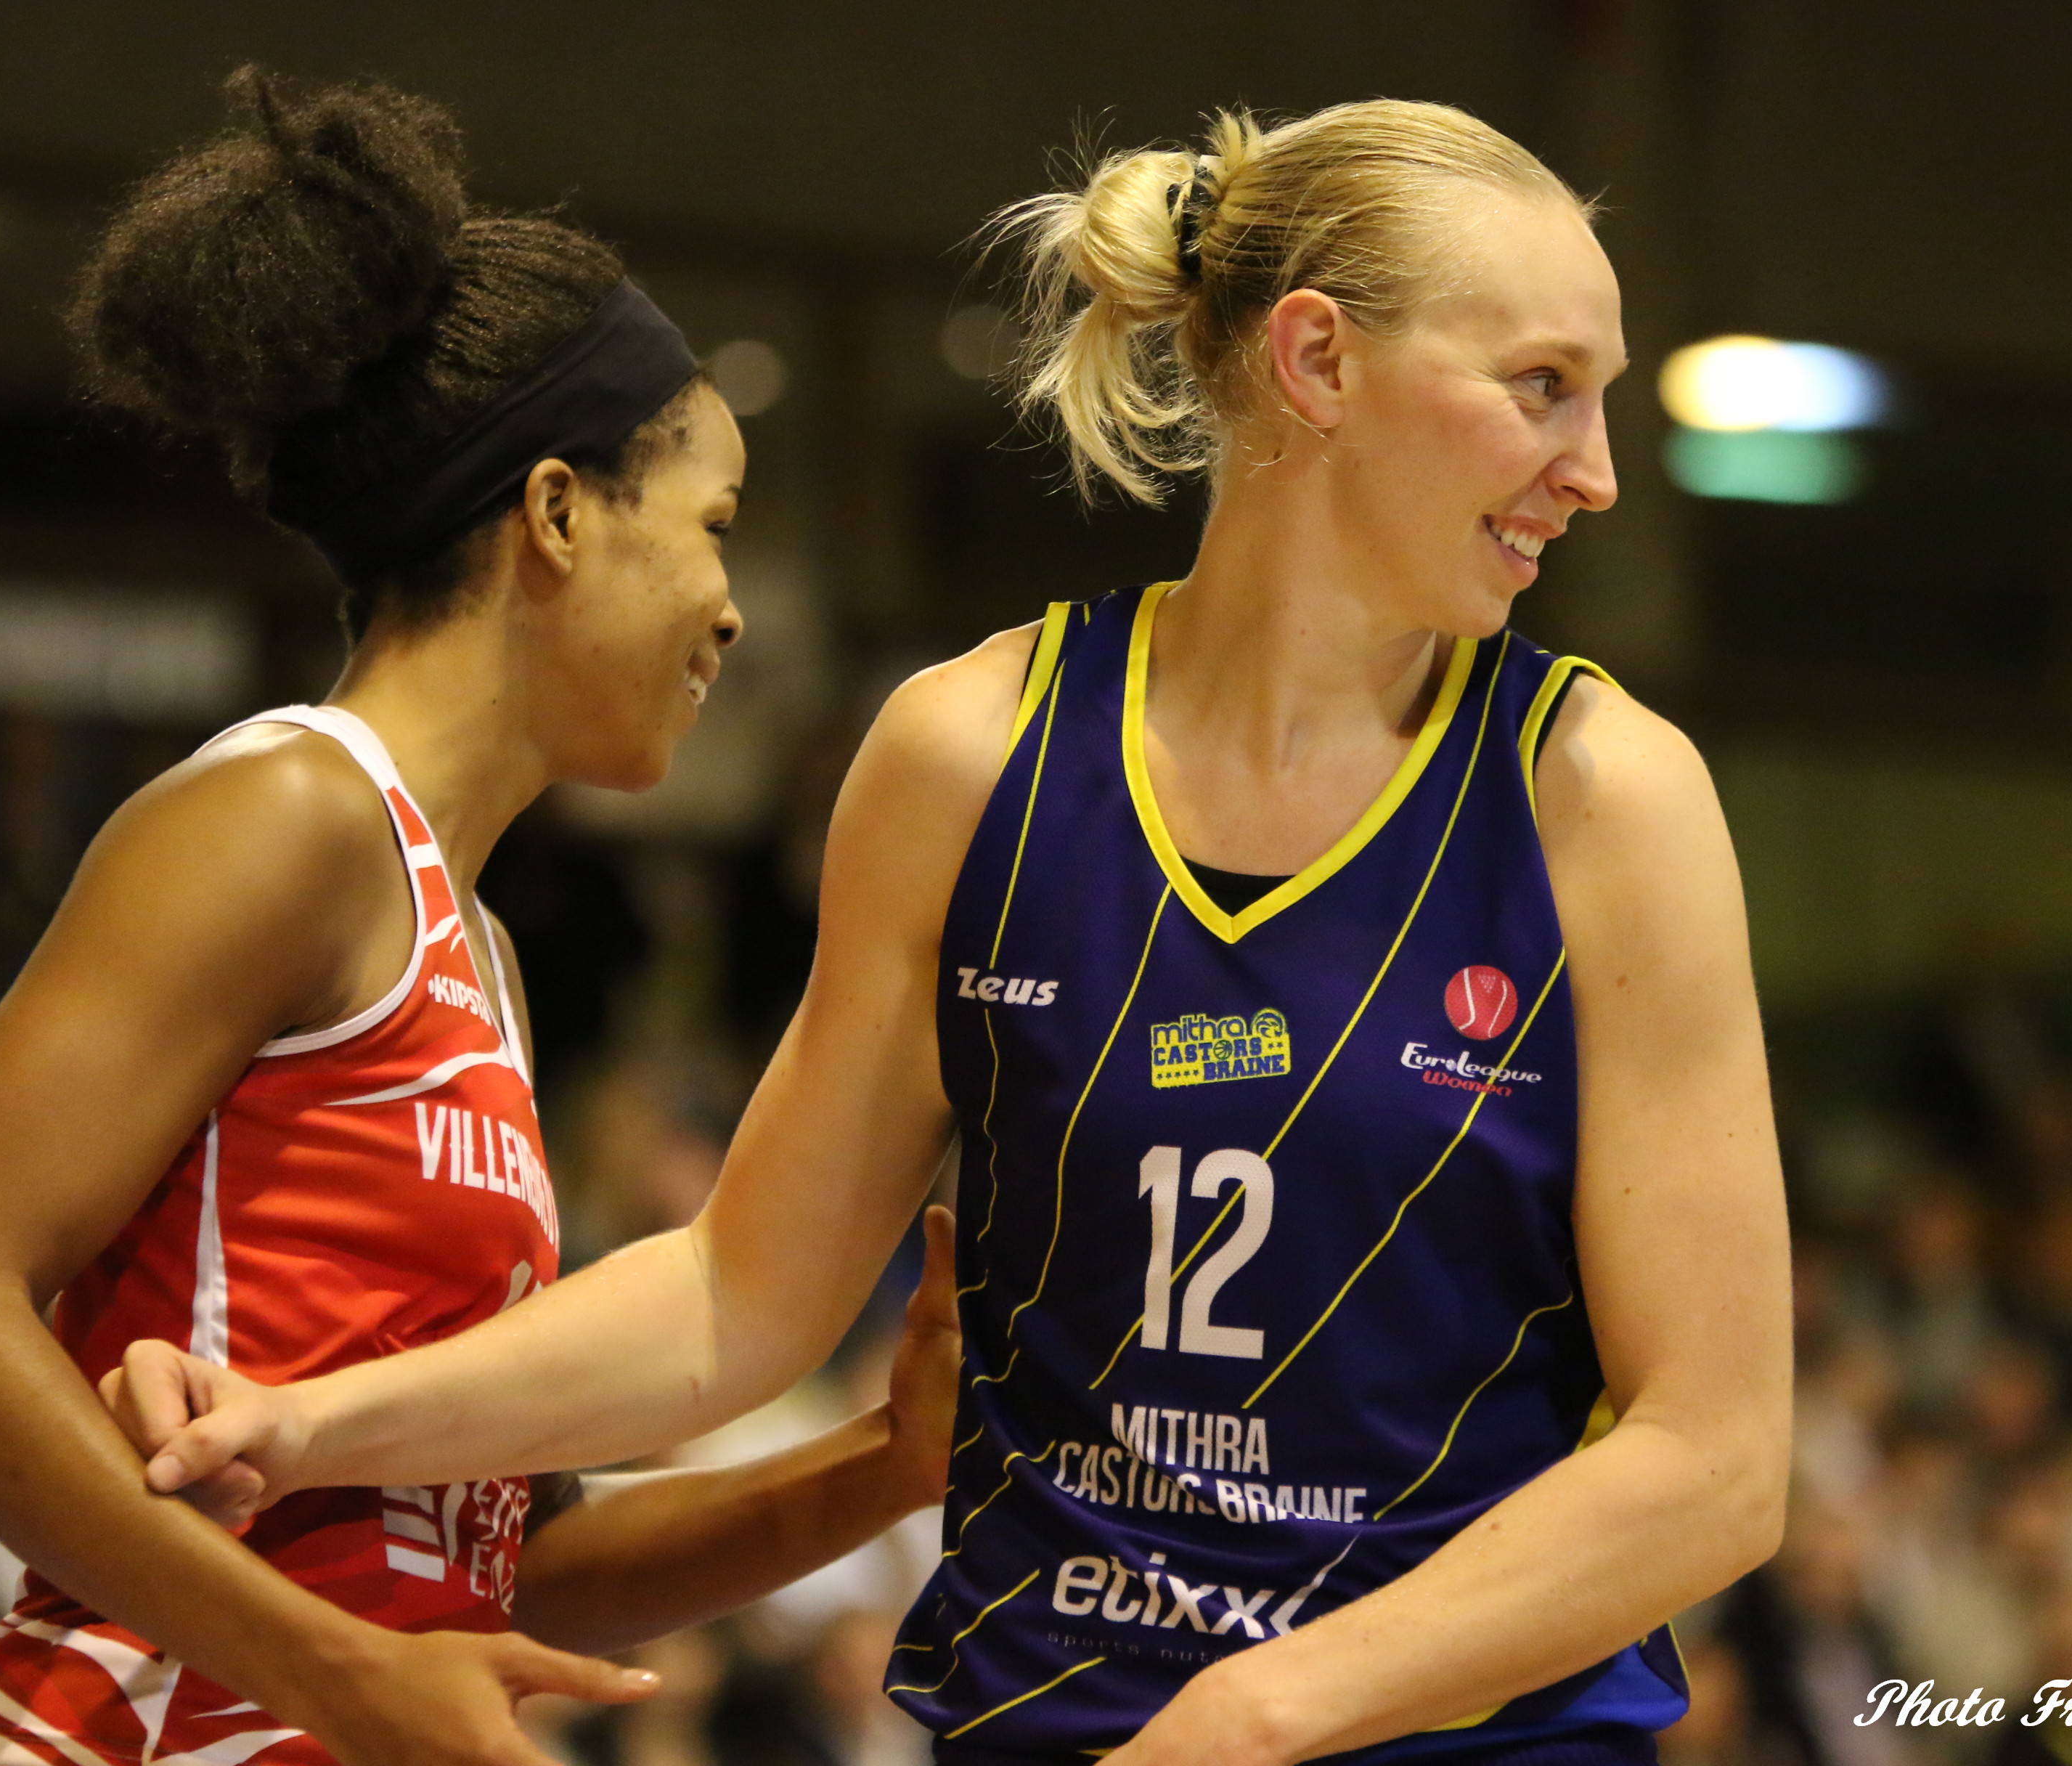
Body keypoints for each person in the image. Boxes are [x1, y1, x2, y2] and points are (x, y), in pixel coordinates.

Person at [113, 99, 1793, 1766]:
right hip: (1049, 1719)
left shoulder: (1606, 799)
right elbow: (731, 1298)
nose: (1594, 473)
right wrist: (312, 1420)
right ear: (1319, 361)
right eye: (1542, 388)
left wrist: (1259, 1715)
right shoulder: (971, 753)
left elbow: (1717, 1457)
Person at [0, 69, 965, 1766]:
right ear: (560, 515)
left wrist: (890, 1462)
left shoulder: (478, 951)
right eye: (712, 523)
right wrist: (334, 1671)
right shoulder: (285, 812)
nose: (732, 606)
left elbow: (511, 1572)